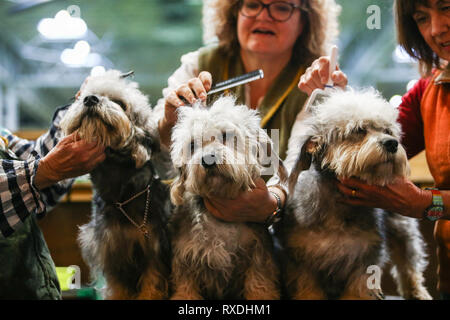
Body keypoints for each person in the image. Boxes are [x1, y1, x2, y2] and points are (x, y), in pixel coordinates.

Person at [298, 0, 450, 299]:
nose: (435, 28)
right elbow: (372, 144)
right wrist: (333, 97)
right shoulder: (429, 89)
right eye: (421, 17)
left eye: (446, 7)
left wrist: (424, 203)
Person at [154, 0, 342, 224]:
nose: (264, 16)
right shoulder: (197, 65)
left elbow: (302, 166)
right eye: (252, 5)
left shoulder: (317, 82)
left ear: (305, 22)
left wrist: (274, 201)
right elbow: (153, 151)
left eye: (281, 7)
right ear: (234, 13)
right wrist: (168, 121)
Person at [0, 104, 105, 299]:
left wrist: (76, 107)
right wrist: (45, 171)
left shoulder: (1, 137)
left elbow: (39, 176)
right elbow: (38, 170)